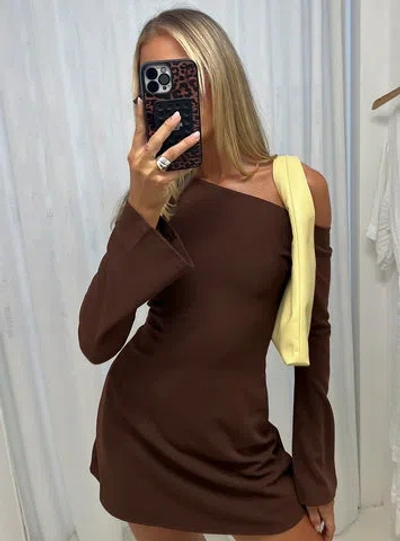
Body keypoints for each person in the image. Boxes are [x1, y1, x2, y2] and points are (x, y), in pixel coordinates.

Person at [78, 7, 337, 541]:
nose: (179, 96)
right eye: (157, 83)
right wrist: (141, 210)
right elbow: (96, 340)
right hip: (143, 439)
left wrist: (317, 476)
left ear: (221, 73)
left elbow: (315, 334)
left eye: (186, 75)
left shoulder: (298, 189)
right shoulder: (159, 198)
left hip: (241, 449)